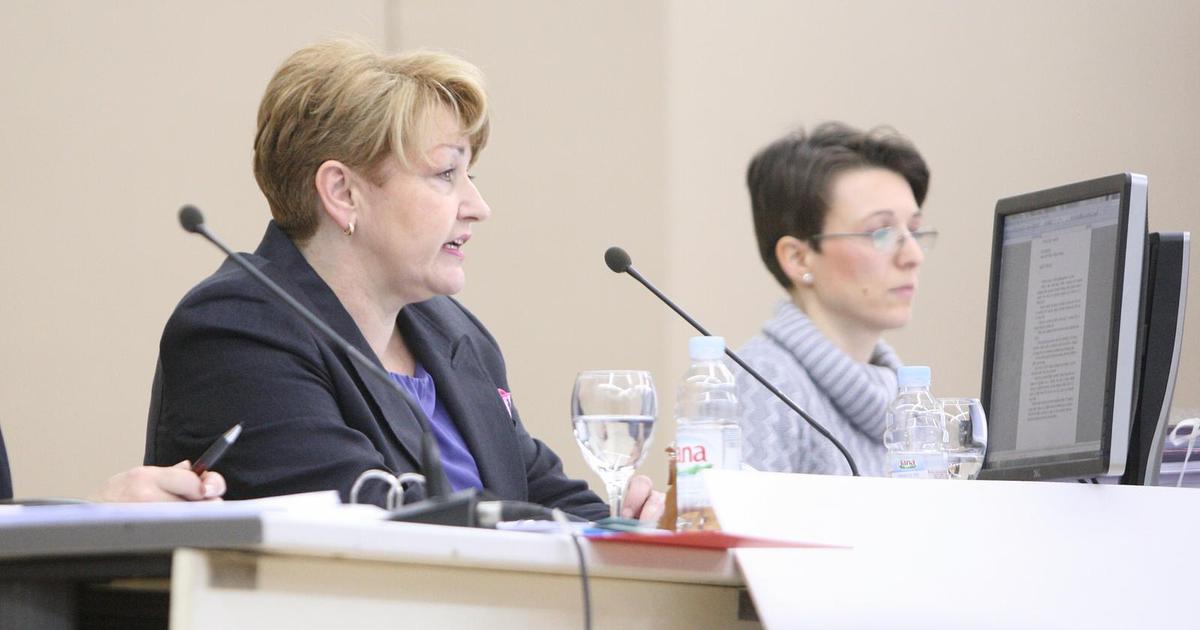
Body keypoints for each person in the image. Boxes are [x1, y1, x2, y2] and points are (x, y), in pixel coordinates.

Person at [146, 39, 662, 522]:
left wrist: (642, 529)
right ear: (343, 192)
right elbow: (372, 516)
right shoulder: (236, 329)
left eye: (471, 177)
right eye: (446, 174)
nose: (478, 207)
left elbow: (544, 494)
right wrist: (567, 531)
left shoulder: (456, 337)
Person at [736, 122, 935, 476]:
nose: (913, 256)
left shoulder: (907, 400)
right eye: (880, 232)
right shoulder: (764, 383)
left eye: (914, 230)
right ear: (799, 259)